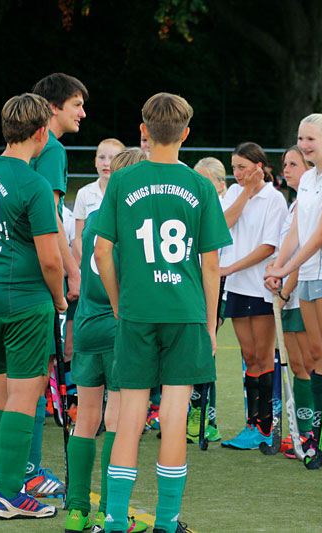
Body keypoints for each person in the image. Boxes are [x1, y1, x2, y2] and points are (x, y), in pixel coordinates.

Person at [93, 92, 231, 533]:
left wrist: (118, 304)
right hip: (186, 311)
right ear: (186, 134)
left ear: (143, 131)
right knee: (174, 416)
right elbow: (211, 264)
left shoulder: (122, 180)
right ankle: (168, 523)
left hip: (137, 310)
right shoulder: (201, 186)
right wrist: (210, 324)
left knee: (130, 414)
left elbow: (101, 251)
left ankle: (115, 520)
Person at [0, 93, 65, 520]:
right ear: (41, 133)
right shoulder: (34, 184)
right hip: (23, 300)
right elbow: (50, 258)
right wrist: (59, 298)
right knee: (25, 394)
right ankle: (8, 493)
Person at [64, 147, 148, 533]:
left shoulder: (96, 216)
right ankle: (111, 513)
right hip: (118, 326)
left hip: (86, 324)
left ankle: (77, 509)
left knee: (85, 419)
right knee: (117, 421)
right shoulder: (136, 219)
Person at [265, 113, 322, 456]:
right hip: (307, 276)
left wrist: (287, 267)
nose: (303, 145)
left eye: (310, 139)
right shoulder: (307, 180)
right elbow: (298, 231)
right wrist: (277, 265)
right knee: (318, 354)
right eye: (301, 138)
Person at [25, 72, 87, 497]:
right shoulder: (52, 147)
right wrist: (72, 272)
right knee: (32, 380)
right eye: (76, 105)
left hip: (3, 275)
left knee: (7, 382)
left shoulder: (19, 151)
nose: (82, 112)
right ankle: (27, 470)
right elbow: (46, 219)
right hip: (32, 277)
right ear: (53, 108)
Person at [219, 142, 287, 450]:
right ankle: (252, 424)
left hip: (260, 286)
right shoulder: (234, 194)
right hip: (236, 287)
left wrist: (231, 266)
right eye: (233, 168)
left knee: (263, 354)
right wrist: (245, 192)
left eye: (242, 167)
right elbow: (223, 225)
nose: (237, 173)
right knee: (248, 357)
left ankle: (266, 425)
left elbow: (270, 246)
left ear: (259, 167)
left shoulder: (275, 199)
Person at [276, 147, 315, 457]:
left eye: (293, 164)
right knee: (298, 364)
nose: (286, 169)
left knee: (309, 363)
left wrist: (286, 288)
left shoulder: (311, 204)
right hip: (286, 296)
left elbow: (305, 254)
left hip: (300, 293)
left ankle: (315, 431)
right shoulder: (295, 205)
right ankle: (302, 432)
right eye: (285, 164)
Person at [187, 156, 229, 445]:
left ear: (219, 184)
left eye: (204, 180)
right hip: (190, 288)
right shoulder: (192, 205)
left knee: (205, 350)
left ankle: (206, 416)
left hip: (216, 288)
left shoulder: (223, 206)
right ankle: (190, 412)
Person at [72, 138, 125, 262]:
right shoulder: (84, 193)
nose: (106, 163)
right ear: (95, 161)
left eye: (112, 158)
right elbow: (78, 237)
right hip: (91, 264)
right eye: (101, 157)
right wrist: (89, 261)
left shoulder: (127, 193)